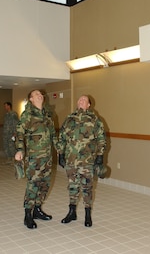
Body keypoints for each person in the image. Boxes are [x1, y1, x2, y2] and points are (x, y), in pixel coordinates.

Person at [57, 95, 106, 227]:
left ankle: (88, 214)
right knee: (72, 186)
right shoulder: (69, 119)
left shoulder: (95, 120)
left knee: (87, 188)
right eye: (79, 100)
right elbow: (61, 137)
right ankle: (72, 211)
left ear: (89, 105)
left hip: (87, 160)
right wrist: (60, 153)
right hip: (71, 160)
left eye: (84, 100)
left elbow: (101, 139)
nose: (81, 101)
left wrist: (100, 156)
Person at [15, 90, 58, 229]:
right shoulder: (27, 114)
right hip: (34, 158)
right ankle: (28, 214)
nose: (40, 95)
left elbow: (53, 135)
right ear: (31, 99)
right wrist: (20, 150)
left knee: (45, 185)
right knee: (33, 186)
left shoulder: (48, 114)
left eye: (41, 94)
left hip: (47, 157)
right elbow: (19, 133)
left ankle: (37, 210)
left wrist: (60, 151)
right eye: (36, 94)